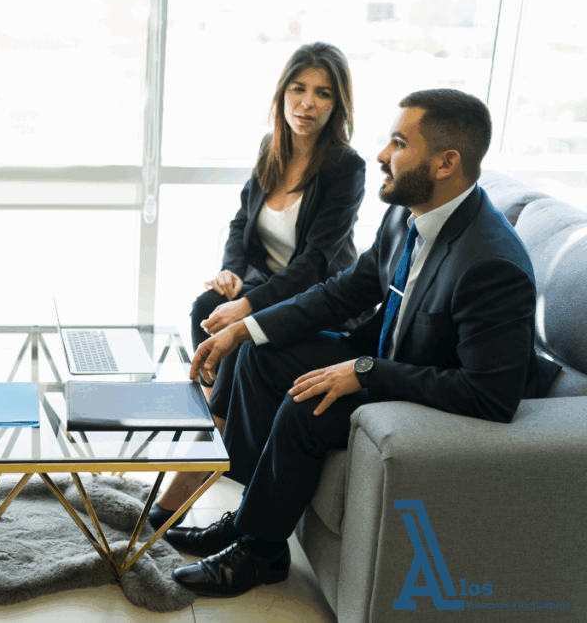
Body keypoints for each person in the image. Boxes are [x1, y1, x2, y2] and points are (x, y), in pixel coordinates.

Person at [165, 88, 560, 597]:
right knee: (260, 355)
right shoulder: (408, 212)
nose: (380, 155)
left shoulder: (491, 264)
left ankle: (258, 553)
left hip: (422, 389)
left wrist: (365, 372)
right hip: (386, 357)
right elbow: (343, 291)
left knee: (306, 403)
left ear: (446, 162)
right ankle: (251, 519)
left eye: (398, 142)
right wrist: (248, 326)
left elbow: (490, 395)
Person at [151, 42, 366, 529]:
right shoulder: (273, 147)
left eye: (322, 94)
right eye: (298, 89)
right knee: (206, 305)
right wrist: (230, 272)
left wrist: (246, 303)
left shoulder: (344, 167)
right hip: (263, 283)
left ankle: (192, 473)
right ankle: (216, 425)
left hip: (318, 300)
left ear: (337, 105)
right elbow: (239, 225)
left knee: (236, 328)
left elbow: (314, 265)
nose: (307, 103)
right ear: (283, 93)